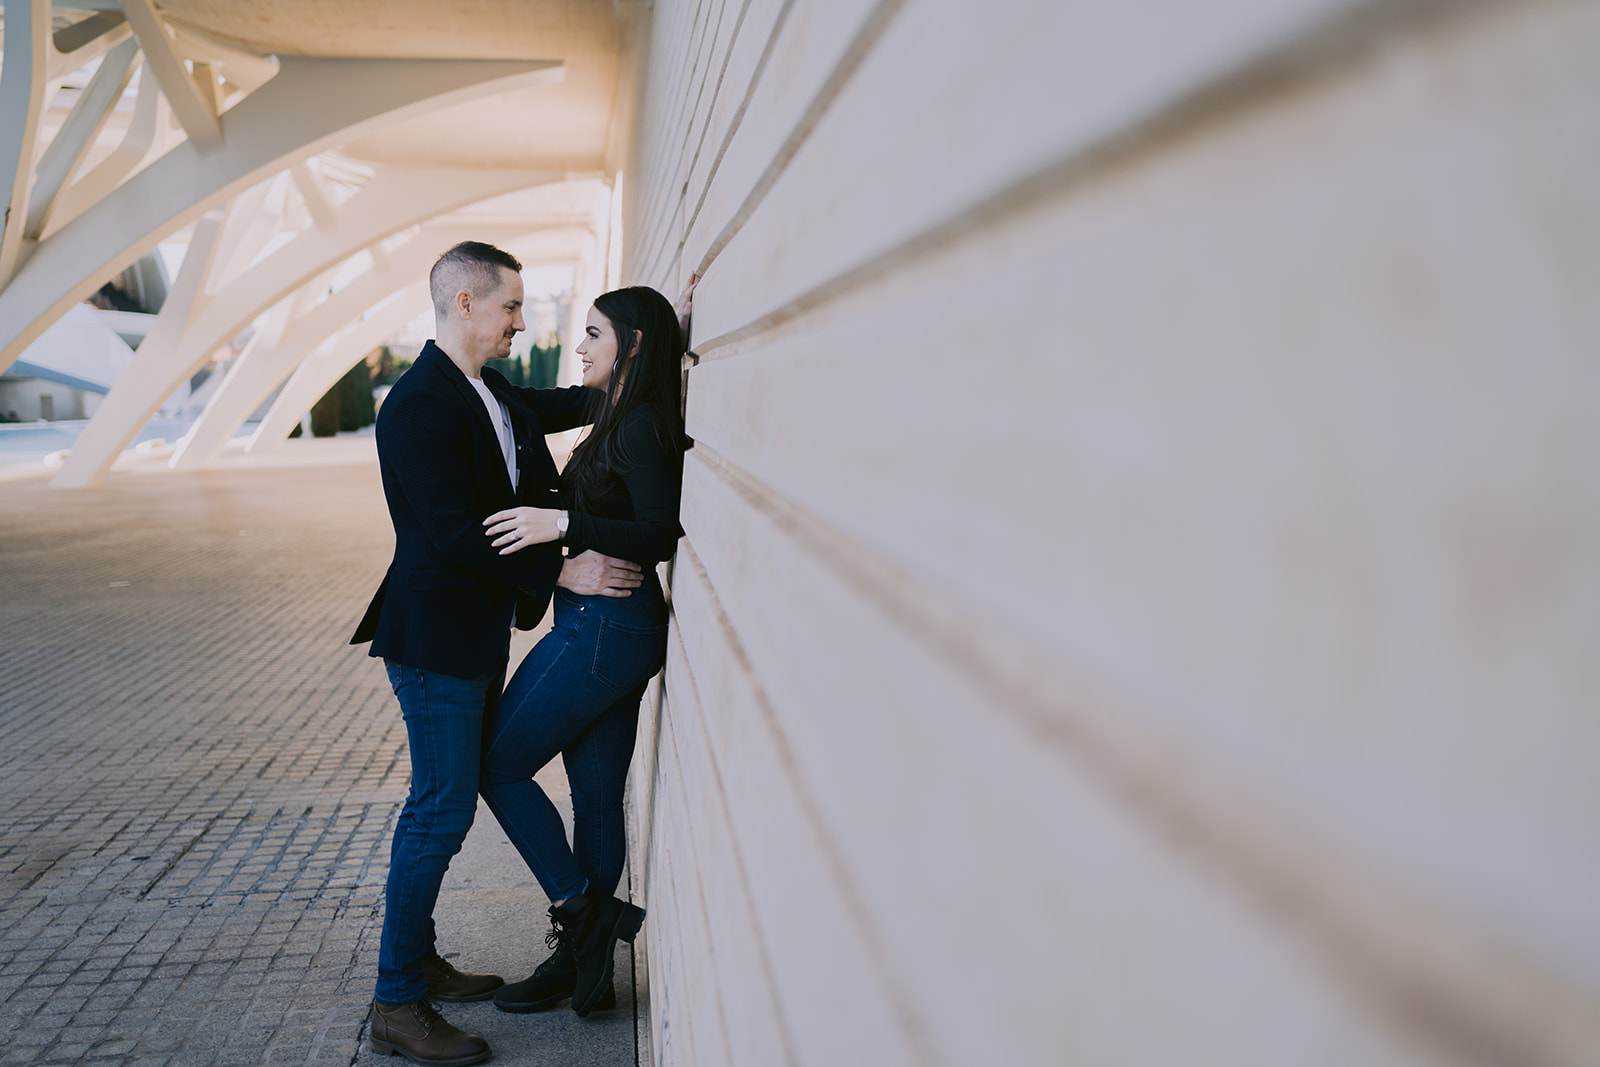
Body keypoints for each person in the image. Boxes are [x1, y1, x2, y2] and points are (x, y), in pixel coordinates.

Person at [349, 241, 644, 1066]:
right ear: (466, 304)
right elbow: (449, 532)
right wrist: (567, 561)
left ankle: (423, 960)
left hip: (472, 634)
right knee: (439, 807)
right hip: (435, 639)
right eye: (512, 307)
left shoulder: (485, 387)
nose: (522, 321)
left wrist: (651, 342)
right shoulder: (417, 405)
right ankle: (397, 1001)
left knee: (444, 799)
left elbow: (554, 405)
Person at [474, 282, 692, 1019]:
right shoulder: (621, 410)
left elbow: (659, 533)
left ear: (630, 344)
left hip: (602, 630)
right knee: (595, 795)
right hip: (613, 631)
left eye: (595, 333)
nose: (580, 345)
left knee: (495, 764)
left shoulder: (636, 428)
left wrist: (563, 522)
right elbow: (575, 392)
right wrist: (669, 323)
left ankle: (583, 916)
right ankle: (584, 964)